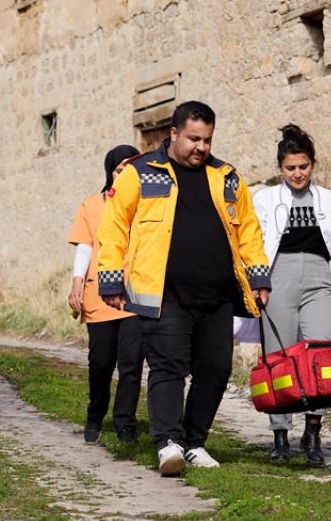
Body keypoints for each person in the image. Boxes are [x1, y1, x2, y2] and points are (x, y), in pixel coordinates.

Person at [97, 101, 271, 476]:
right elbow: (114, 227)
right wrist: (110, 277)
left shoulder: (227, 177)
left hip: (218, 294)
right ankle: (168, 442)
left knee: (215, 370)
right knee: (168, 366)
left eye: (207, 140)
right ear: (173, 134)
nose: (201, 148)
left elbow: (248, 231)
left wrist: (259, 278)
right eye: (193, 139)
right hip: (164, 292)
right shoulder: (140, 172)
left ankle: (194, 442)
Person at [238, 124, 331, 465]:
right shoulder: (265, 199)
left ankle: (313, 432)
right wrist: (258, 283)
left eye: (303, 167)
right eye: (290, 168)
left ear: (312, 165)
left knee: (320, 356)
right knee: (279, 357)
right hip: (278, 276)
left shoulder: (328, 199)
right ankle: (280, 434)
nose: (297, 174)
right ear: (280, 168)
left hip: (319, 280)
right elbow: (253, 245)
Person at [67, 144, 146, 445]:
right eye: (119, 170)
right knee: (101, 362)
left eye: (130, 170)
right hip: (98, 294)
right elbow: (85, 246)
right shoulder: (91, 206)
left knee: (131, 363)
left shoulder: (146, 208)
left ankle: (125, 421)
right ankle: (95, 415)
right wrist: (76, 282)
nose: (124, 175)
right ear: (110, 173)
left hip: (135, 296)